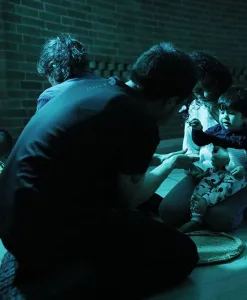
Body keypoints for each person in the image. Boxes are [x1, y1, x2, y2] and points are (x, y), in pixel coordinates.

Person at [0, 42, 201, 299]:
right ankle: (55, 286)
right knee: (182, 254)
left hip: (11, 221)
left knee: (137, 227)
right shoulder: (139, 119)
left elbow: (98, 156)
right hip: (41, 237)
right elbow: (131, 198)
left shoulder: (91, 88)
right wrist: (169, 164)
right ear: (172, 100)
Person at [159, 52, 247, 232]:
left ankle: (242, 205)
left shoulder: (244, 99)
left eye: (208, 87)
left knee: (219, 218)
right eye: (197, 90)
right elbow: (191, 148)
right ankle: (214, 206)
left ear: (219, 80)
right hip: (208, 175)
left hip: (243, 176)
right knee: (169, 212)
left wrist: (229, 158)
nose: (204, 94)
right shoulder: (195, 107)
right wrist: (194, 167)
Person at [180, 86, 247, 232]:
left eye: (231, 113)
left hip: (235, 175)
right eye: (222, 112)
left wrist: (245, 169)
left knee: (226, 187)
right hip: (216, 171)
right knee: (200, 188)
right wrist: (197, 130)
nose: (225, 117)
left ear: (245, 117)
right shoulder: (217, 130)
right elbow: (201, 141)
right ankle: (196, 219)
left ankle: (209, 202)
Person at [36, 33, 99, 112]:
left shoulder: (49, 96)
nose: (50, 83)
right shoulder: (114, 84)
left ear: (53, 66)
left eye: (48, 77)